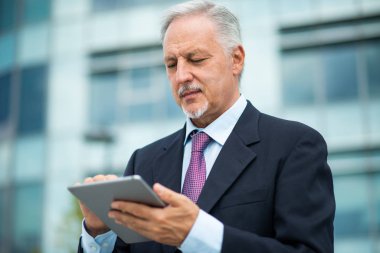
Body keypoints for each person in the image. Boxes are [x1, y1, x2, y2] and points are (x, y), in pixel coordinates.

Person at [77, 0, 335, 252]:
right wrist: (99, 234)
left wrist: (195, 234)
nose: (181, 76)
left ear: (236, 59)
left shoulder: (294, 146)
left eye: (196, 59)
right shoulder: (144, 162)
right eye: (171, 64)